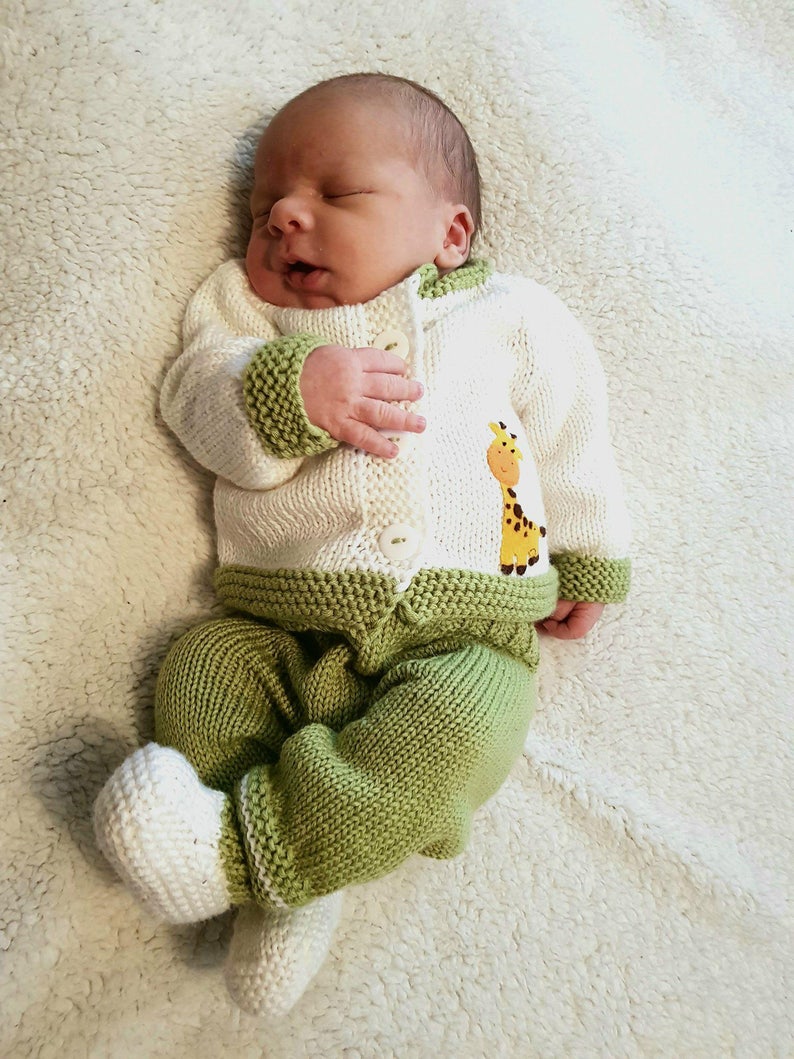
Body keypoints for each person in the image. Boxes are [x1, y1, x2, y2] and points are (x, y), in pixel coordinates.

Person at [94, 72, 631, 1016]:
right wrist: (282, 392)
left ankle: (239, 857)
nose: (286, 218)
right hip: (276, 628)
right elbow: (194, 399)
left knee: (456, 736)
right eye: (264, 210)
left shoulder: (512, 318)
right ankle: (300, 870)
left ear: (450, 234)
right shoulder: (247, 314)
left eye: (338, 194)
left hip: (464, 635)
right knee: (199, 673)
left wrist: (588, 554)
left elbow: (573, 439)